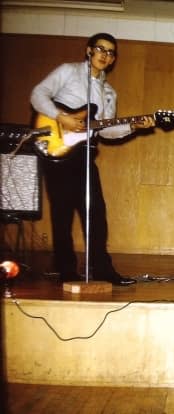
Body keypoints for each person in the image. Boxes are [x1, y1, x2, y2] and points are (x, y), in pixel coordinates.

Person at [30, 32, 154, 285]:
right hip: (58, 149)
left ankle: (102, 270)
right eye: (100, 49)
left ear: (113, 60)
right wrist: (61, 116)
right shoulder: (68, 71)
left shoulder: (109, 92)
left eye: (110, 52)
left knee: (96, 212)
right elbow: (37, 95)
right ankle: (66, 270)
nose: (105, 55)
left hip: (85, 153)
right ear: (89, 50)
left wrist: (133, 126)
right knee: (62, 212)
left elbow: (106, 130)